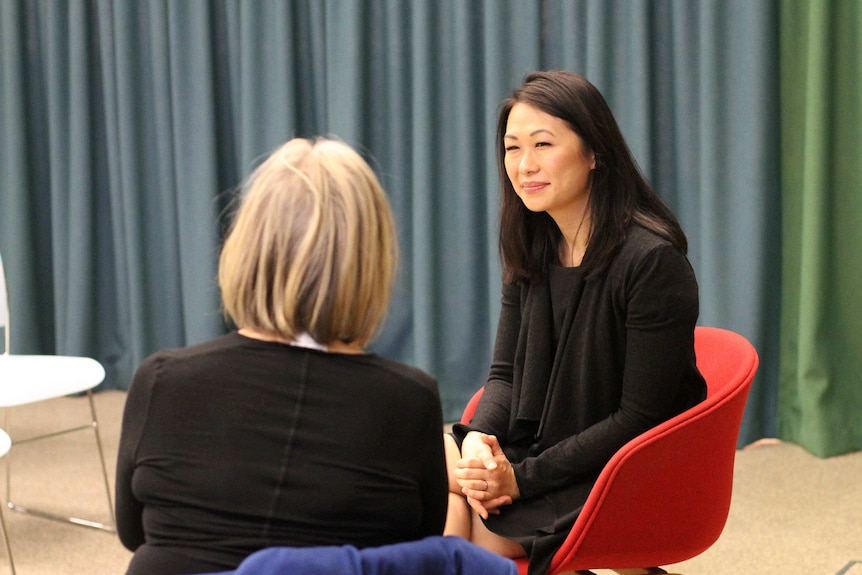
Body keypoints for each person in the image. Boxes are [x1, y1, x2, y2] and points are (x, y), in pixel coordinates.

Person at [115, 137, 448, 575]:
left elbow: (132, 532)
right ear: (372, 261)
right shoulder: (410, 400)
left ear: (249, 248)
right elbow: (417, 544)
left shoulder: (162, 379)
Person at [443, 70, 707, 575]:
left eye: (543, 144)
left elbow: (638, 420)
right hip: (544, 446)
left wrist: (517, 480)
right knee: (444, 474)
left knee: (469, 522)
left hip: (622, 467)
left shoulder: (651, 262)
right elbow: (504, 376)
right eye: (512, 148)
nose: (525, 165)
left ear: (594, 154)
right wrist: (477, 439)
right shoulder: (533, 246)